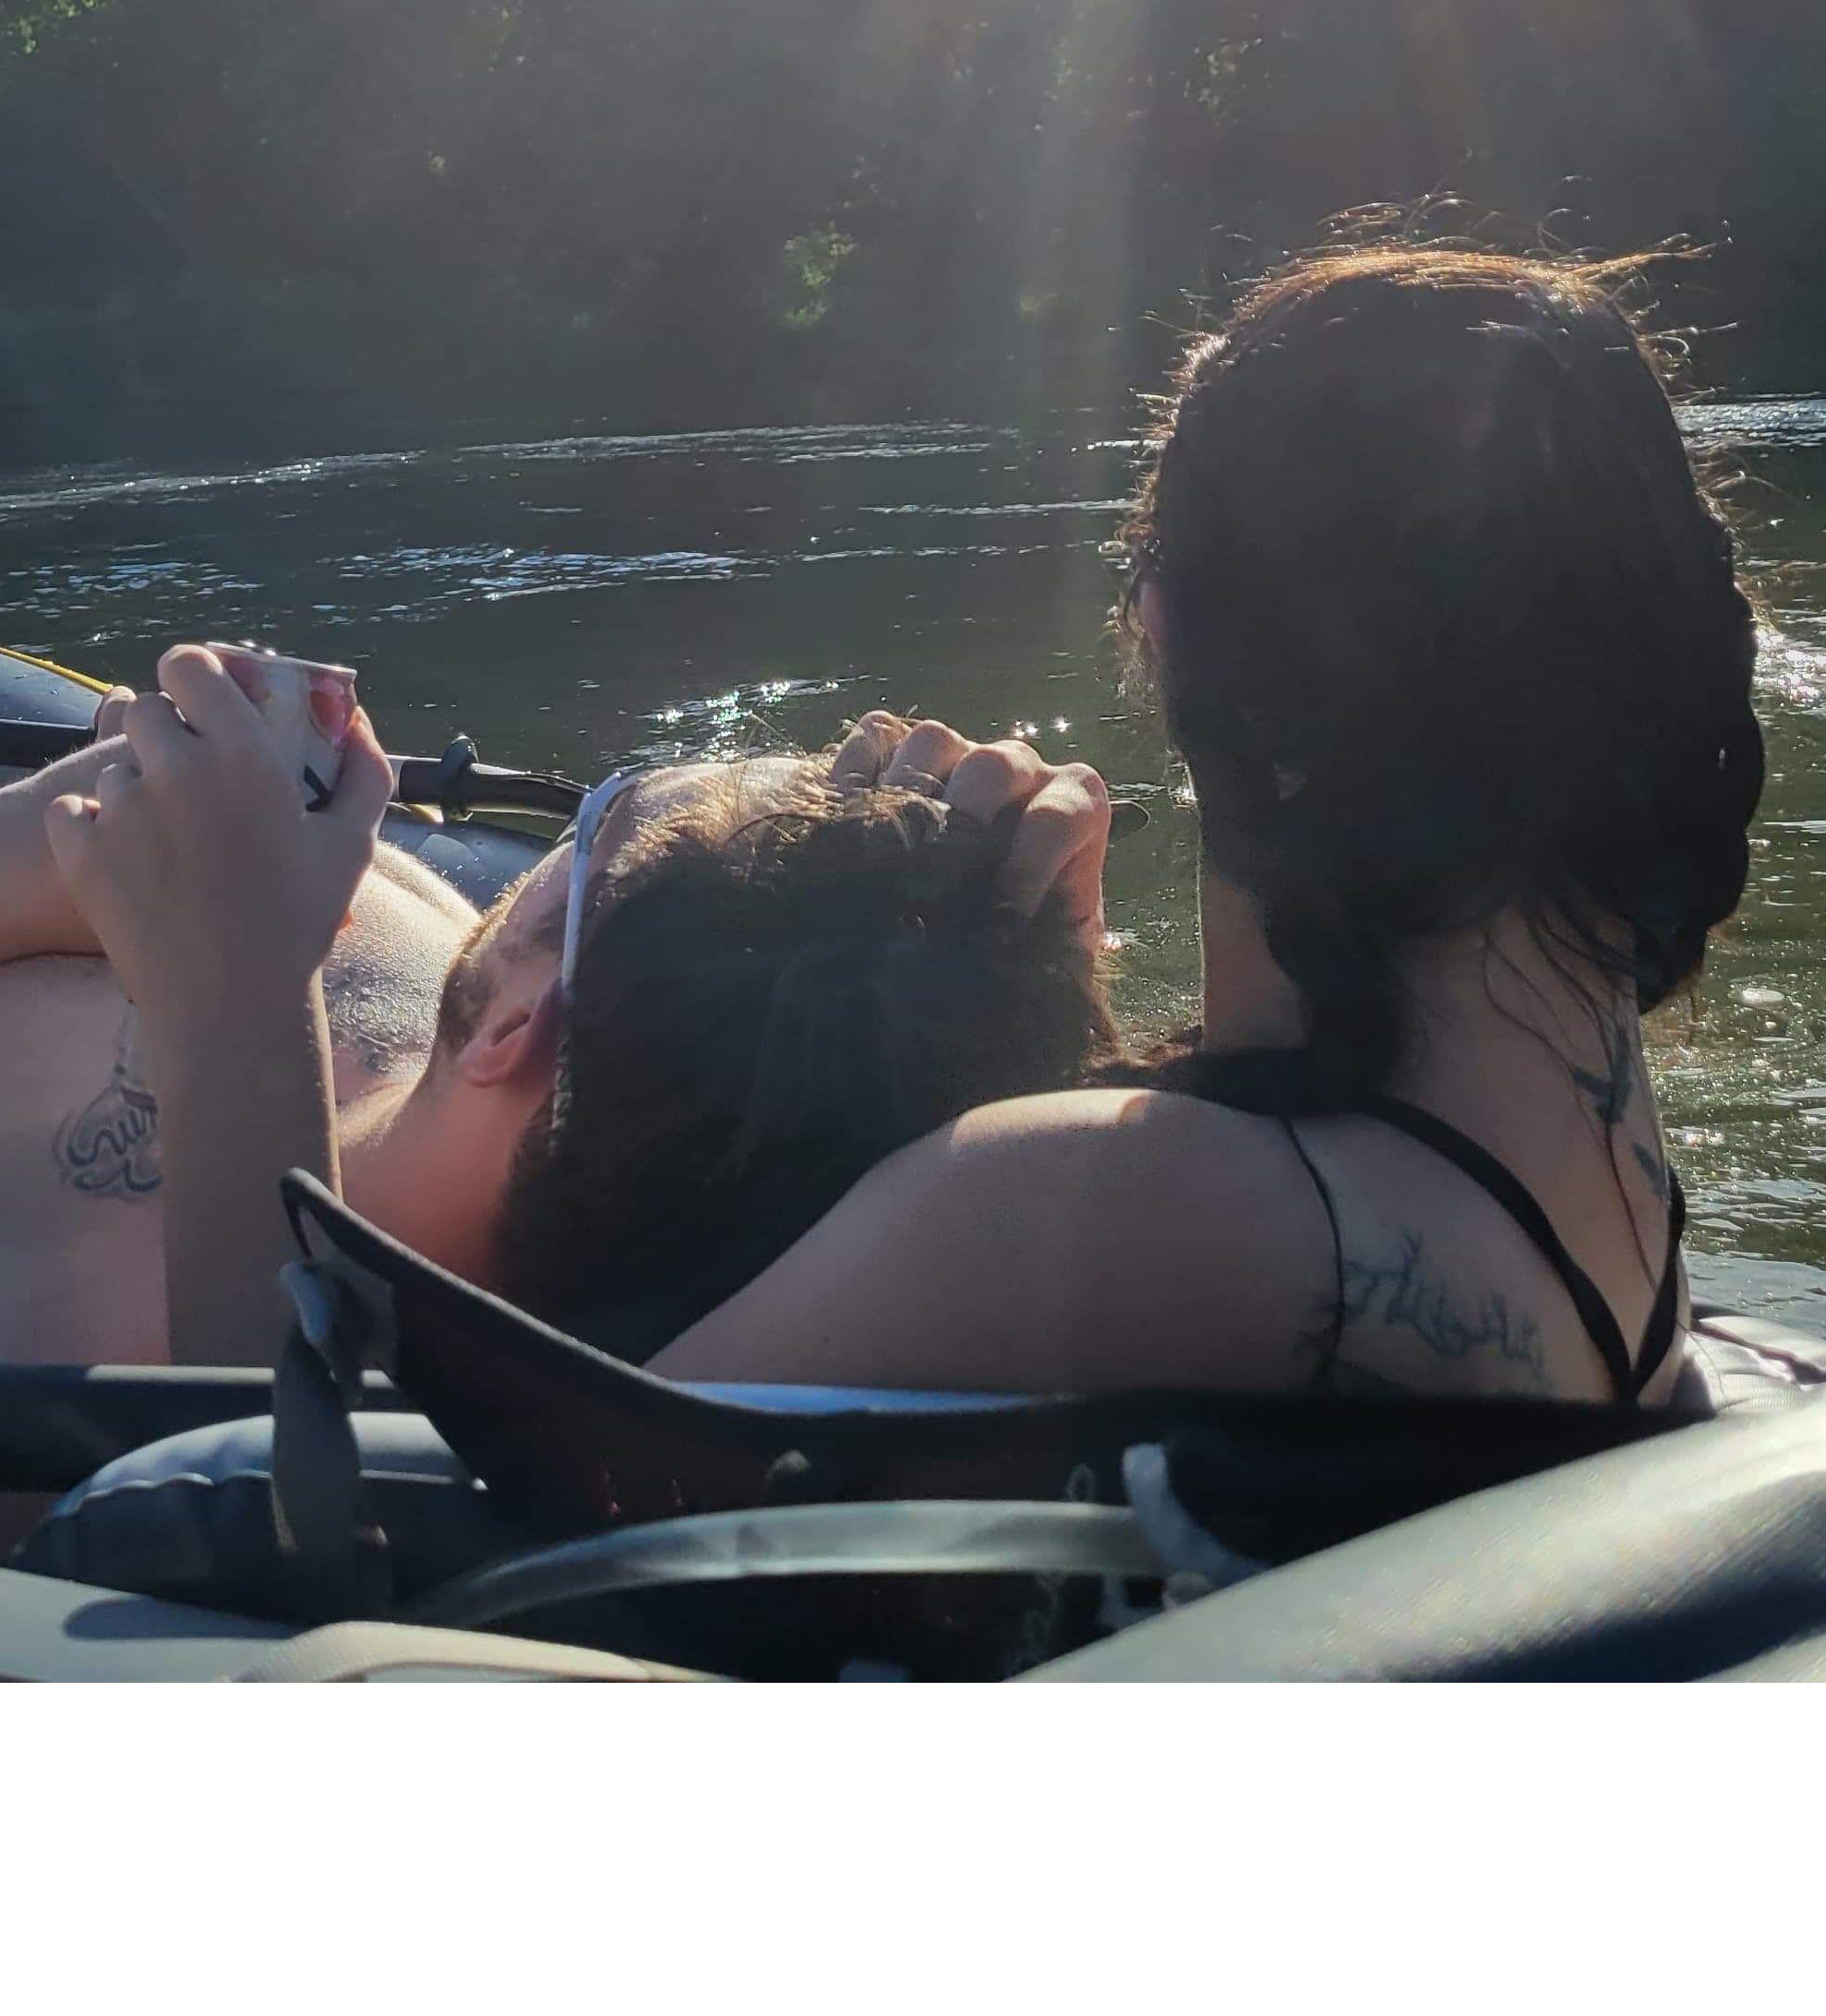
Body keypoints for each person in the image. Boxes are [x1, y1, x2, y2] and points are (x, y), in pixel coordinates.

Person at [633, 241, 1766, 1406]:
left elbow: (557, 1484)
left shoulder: (1130, 1214)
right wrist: (1055, 978)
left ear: (1167, 621)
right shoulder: (1596, 1108)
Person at [0, 650, 1116, 1370]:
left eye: (606, 828)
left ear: (521, 1029)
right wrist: (1027, 949)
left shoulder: (74, 1318)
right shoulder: (584, 1070)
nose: (585, 832)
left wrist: (37, 845)